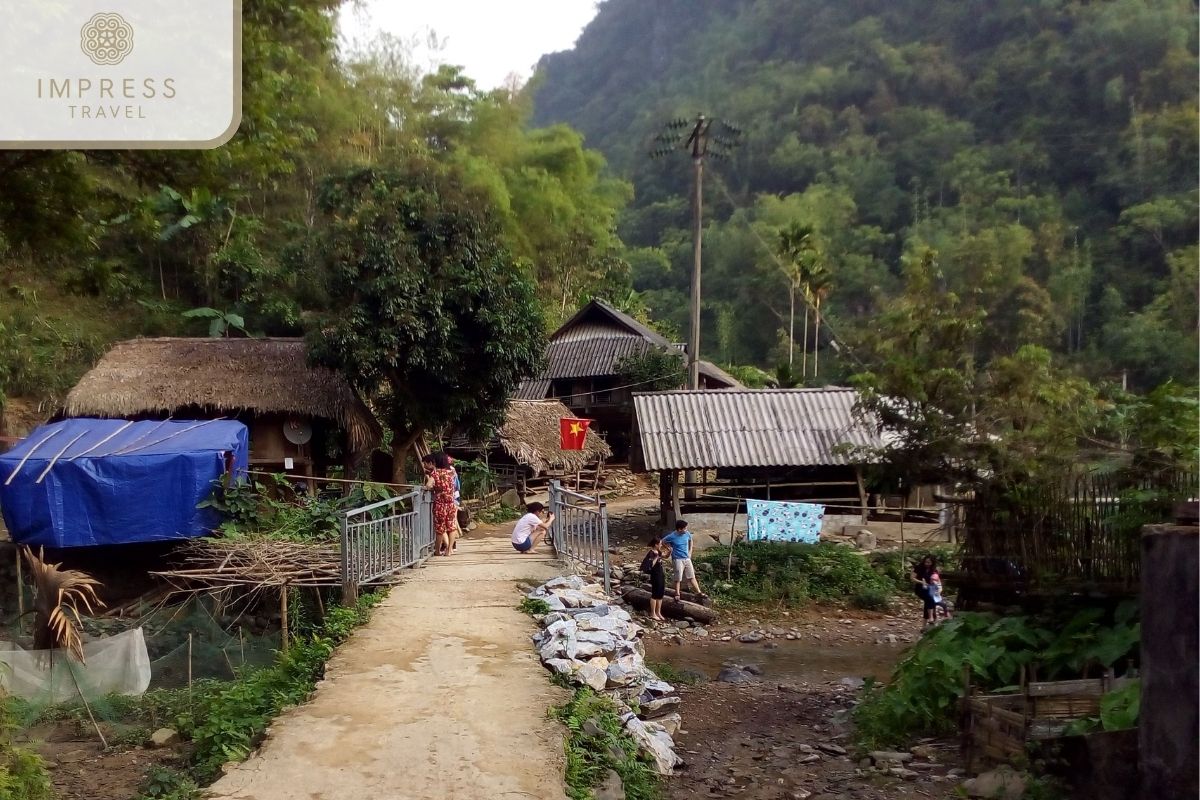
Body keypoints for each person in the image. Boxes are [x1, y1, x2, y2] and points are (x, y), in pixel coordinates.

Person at [423, 452, 458, 556]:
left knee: (440, 528)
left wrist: (431, 487)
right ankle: (449, 550)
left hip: (440, 504)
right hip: (451, 503)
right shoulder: (451, 472)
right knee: (451, 527)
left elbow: (429, 485)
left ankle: (438, 551)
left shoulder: (435, 473)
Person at [661, 519, 704, 601]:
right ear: (679, 529)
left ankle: (699, 592)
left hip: (687, 558)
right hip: (677, 559)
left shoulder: (687, 534)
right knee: (678, 577)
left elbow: (690, 540)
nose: (686, 530)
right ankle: (677, 593)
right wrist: (669, 548)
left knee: (692, 576)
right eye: (684, 528)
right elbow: (663, 541)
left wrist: (690, 551)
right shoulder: (672, 536)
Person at [640, 537, 667, 621]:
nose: (661, 545)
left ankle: (658, 612)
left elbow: (665, 556)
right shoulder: (651, 553)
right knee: (655, 594)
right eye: (660, 544)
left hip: (660, 574)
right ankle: (653, 613)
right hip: (655, 575)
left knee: (660, 594)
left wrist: (669, 552)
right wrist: (657, 557)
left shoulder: (658, 552)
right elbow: (650, 565)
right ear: (656, 544)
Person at [911, 555, 941, 626]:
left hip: (931, 588)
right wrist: (922, 582)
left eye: (929, 562)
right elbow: (912, 578)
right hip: (920, 588)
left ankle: (924, 625)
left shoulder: (934, 570)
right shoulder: (918, 568)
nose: (927, 564)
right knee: (930, 599)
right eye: (926, 562)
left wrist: (939, 589)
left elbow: (938, 581)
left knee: (930, 602)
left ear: (932, 563)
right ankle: (932, 618)